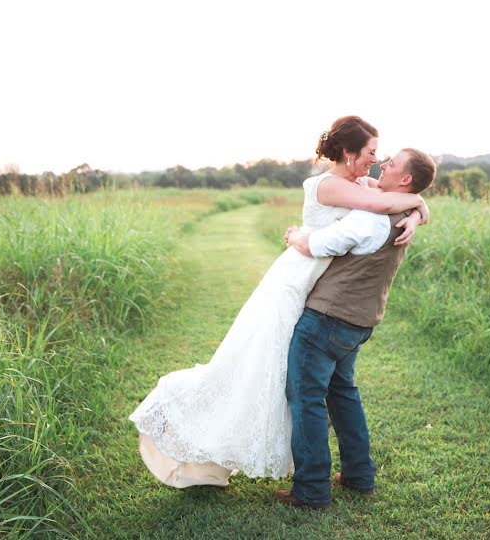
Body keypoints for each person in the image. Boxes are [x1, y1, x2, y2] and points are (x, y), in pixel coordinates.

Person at [128, 116, 429, 487]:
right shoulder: (331, 186)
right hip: (297, 280)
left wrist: (418, 211)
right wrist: (416, 203)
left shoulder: (362, 184)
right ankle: (200, 428)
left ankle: (320, 478)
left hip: (319, 286)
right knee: (261, 367)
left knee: (296, 380)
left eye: (381, 157)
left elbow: (389, 199)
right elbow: (384, 203)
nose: (376, 160)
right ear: (349, 153)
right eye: (370, 153)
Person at [273, 148, 436, 509]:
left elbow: (318, 244)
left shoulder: (370, 217)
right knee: (342, 392)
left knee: (306, 396)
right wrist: (420, 209)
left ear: (405, 179)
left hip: (327, 319)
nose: (383, 163)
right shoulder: (403, 209)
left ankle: (312, 490)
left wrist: (295, 236)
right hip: (361, 321)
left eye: (393, 164)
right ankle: (359, 476)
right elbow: (413, 201)